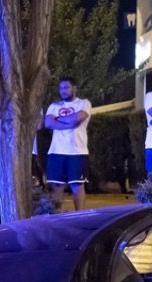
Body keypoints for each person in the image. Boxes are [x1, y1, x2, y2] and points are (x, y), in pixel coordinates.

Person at [44, 77, 92, 211]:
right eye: (61, 88)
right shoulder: (54, 106)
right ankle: (57, 217)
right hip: (56, 152)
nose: (63, 91)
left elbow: (77, 118)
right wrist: (69, 123)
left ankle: (79, 216)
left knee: (77, 186)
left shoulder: (84, 103)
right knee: (57, 187)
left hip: (77, 152)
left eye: (66, 87)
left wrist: (58, 120)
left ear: (74, 88)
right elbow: (48, 123)